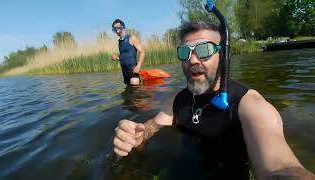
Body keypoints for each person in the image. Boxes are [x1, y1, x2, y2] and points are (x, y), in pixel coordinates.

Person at [112, 22, 315, 179]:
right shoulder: (178, 100)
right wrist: (137, 135)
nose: (192, 59)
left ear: (223, 56)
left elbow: (280, 166)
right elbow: (154, 126)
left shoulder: (249, 105)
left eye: (204, 50)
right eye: (185, 52)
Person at [111, 19, 145, 85]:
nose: (117, 30)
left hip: (133, 71)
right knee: (127, 93)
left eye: (119, 27)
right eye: (115, 29)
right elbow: (125, 56)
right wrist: (116, 57)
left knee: (135, 92)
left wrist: (138, 66)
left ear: (123, 27)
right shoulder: (120, 42)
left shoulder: (131, 38)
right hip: (125, 73)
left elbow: (142, 52)